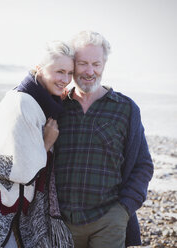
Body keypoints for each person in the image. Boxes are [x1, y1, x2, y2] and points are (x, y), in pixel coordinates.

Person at [0, 41, 75, 248]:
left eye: (70, 73)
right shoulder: (24, 103)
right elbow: (20, 171)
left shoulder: (42, 100)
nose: (66, 80)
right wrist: (47, 142)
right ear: (39, 68)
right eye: (59, 71)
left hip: (8, 196)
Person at [52, 31, 154, 248]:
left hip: (108, 220)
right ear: (73, 64)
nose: (90, 71)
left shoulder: (126, 109)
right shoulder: (56, 107)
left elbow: (143, 165)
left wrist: (124, 209)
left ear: (104, 64)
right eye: (83, 63)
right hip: (62, 221)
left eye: (96, 64)